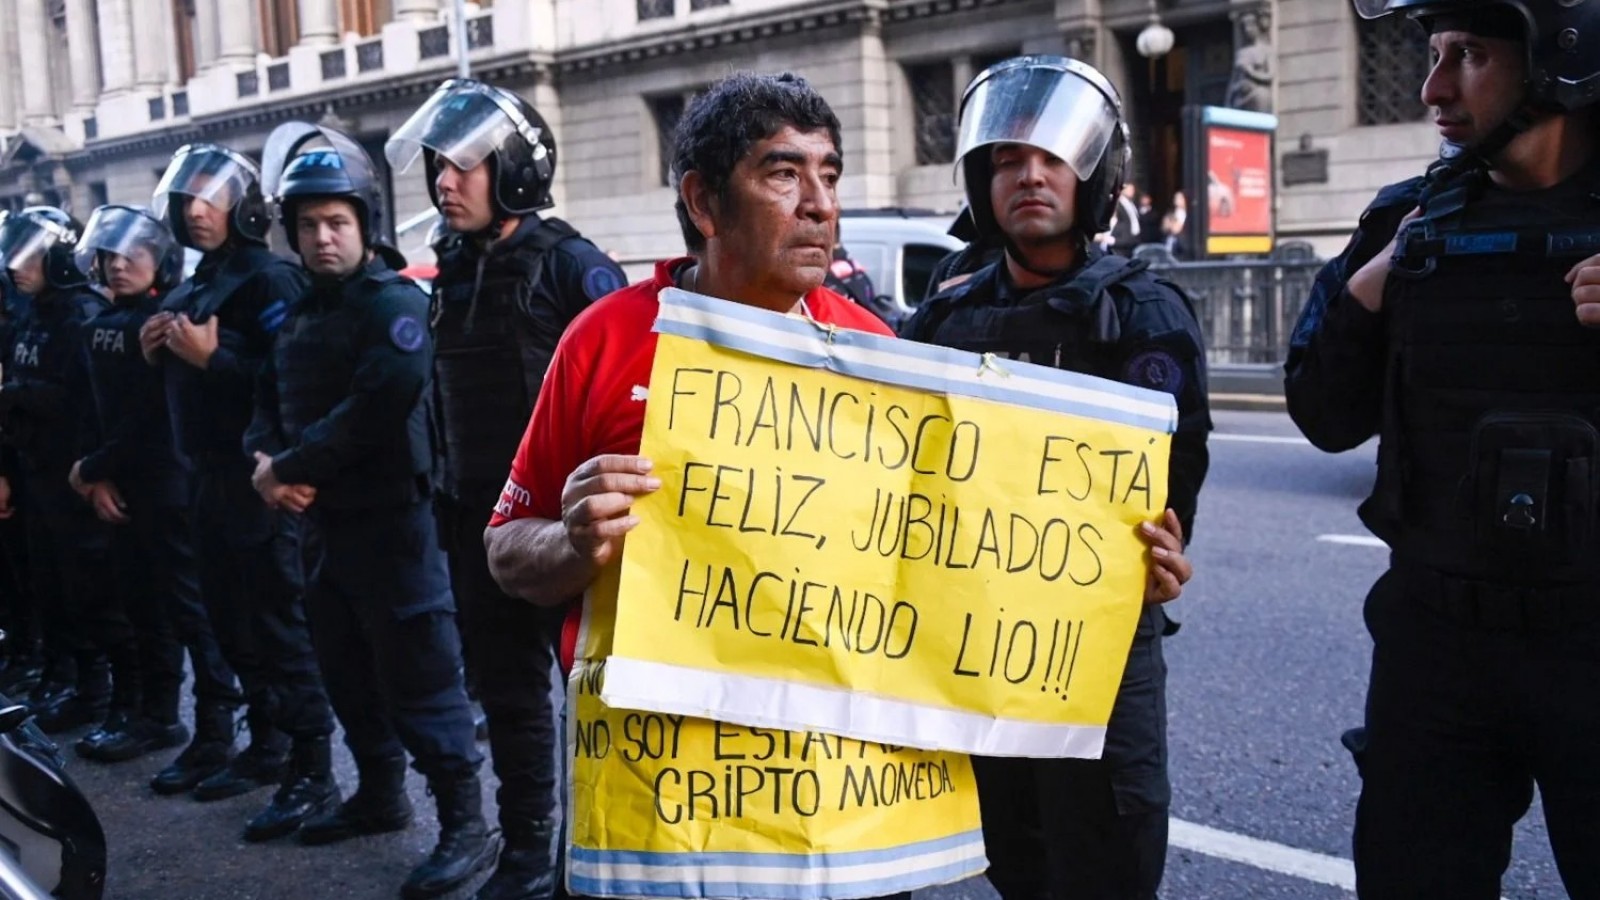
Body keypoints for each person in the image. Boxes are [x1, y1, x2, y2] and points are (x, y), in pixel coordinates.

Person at [484, 71, 979, 900]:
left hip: (834, 786)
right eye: (783, 173)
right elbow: (505, 548)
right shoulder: (602, 339)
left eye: (829, 174)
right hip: (655, 784)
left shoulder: (876, 352)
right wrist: (573, 543)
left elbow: (946, 562)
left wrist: (1104, 573)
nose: (819, 204)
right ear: (704, 202)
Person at [1286, 2, 1600, 897]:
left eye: (1468, 55)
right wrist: (1370, 289)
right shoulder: (1407, 221)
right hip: (1438, 649)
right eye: (1431, 54)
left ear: (1560, 56)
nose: (1432, 89)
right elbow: (1321, 414)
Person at [902, 56, 1207, 900]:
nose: (1030, 176)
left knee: (1107, 858)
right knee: (1014, 852)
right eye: (1008, 159)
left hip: (1097, 652)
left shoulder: (1142, 312)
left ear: (1092, 175)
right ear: (981, 181)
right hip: (974, 642)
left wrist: (1164, 548)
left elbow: (1175, 479)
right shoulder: (944, 315)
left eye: (1051, 157)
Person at [385, 79, 625, 900]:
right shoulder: (452, 268)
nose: (443, 182)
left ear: (514, 169)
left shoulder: (571, 266)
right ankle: (525, 854)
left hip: (566, 531)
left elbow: (629, 390)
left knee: (592, 705)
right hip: (479, 524)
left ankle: (594, 866)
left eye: (463, 166)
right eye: (437, 166)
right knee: (510, 699)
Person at [246, 122, 495, 898]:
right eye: (308, 225)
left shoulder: (393, 304)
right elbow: (266, 401)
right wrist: (265, 466)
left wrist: (290, 467)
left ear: (364, 224)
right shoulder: (300, 313)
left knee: (421, 680)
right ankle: (380, 796)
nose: (322, 238)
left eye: (336, 222)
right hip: (322, 528)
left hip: (394, 529)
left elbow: (380, 400)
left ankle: (466, 826)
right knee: (346, 671)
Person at [144, 143, 332, 841]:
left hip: (257, 482)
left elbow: (291, 377)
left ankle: (313, 769)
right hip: (204, 480)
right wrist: (156, 350)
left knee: (280, 629)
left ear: (242, 206)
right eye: (187, 198)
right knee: (231, 624)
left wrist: (211, 358)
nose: (196, 210)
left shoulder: (269, 278)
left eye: (211, 197)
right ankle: (267, 746)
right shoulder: (198, 283)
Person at [69, 205, 212, 766]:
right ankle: (156, 717)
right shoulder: (98, 325)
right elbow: (93, 408)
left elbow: (154, 417)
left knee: (189, 613)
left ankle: (216, 732)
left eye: (134, 254)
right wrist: (96, 475)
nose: (119, 264)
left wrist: (93, 467)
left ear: (162, 260)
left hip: (165, 485)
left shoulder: (167, 321)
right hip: (118, 485)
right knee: (141, 610)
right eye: (110, 255)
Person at [0, 207, 117, 734]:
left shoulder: (80, 312)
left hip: (71, 472)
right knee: (49, 583)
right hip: (37, 467)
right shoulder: (34, 313)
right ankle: (63, 675)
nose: (14, 267)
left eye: (27, 256)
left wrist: (16, 394)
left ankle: (95, 690)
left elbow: (81, 399)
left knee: (85, 587)